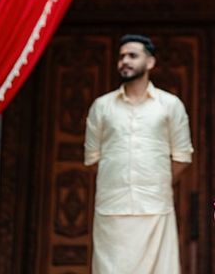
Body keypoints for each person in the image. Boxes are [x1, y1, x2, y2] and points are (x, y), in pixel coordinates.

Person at [84, 34, 193, 274]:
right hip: (112, 209)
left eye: (132, 56)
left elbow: (182, 157)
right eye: (121, 57)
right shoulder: (101, 106)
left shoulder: (170, 104)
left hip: (156, 207)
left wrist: (153, 182)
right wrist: (120, 179)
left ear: (150, 62)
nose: (125, 61)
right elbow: (93, 160)